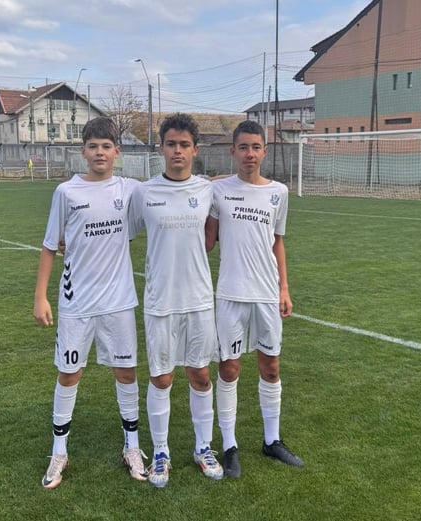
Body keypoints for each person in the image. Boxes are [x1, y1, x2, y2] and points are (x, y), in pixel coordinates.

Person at [33, 117, 147, 489]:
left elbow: (172, 188)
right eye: (93, 146)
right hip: (76, 303)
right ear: (83, 151)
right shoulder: (66, 192)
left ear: (117, 152)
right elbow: (50, 245)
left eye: (106, 146)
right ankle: (59, 452)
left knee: (126, 373)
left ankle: (132, 447)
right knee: (69, 374)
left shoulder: (130, 189)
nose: (100, 152)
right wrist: (40, 297)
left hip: (118, 301)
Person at [128, 113, 223, 488]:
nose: (177, 151)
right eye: (171, 144)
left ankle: (203, 448)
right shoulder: (144, 193)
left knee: (200, 374)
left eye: (184, 144)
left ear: (195, 149)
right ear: (161, 148)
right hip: (160, 301)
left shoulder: (208, 191)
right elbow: (120, 233)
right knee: (162, 377)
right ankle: (161, 452)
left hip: (199, 299)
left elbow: (213, 236)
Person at [205, 119, 303, 479]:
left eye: (256, 147)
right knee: (229, 368)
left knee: (271, 367)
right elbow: (208, 242)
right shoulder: (218, 191)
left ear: (265, 151)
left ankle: (272, 440)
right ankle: (229, 446)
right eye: (243, 147)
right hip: (231, 294)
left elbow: (278, 242)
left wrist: (284, 288)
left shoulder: (279, 192)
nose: (250, 153)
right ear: (233, 151)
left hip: (266, 294)